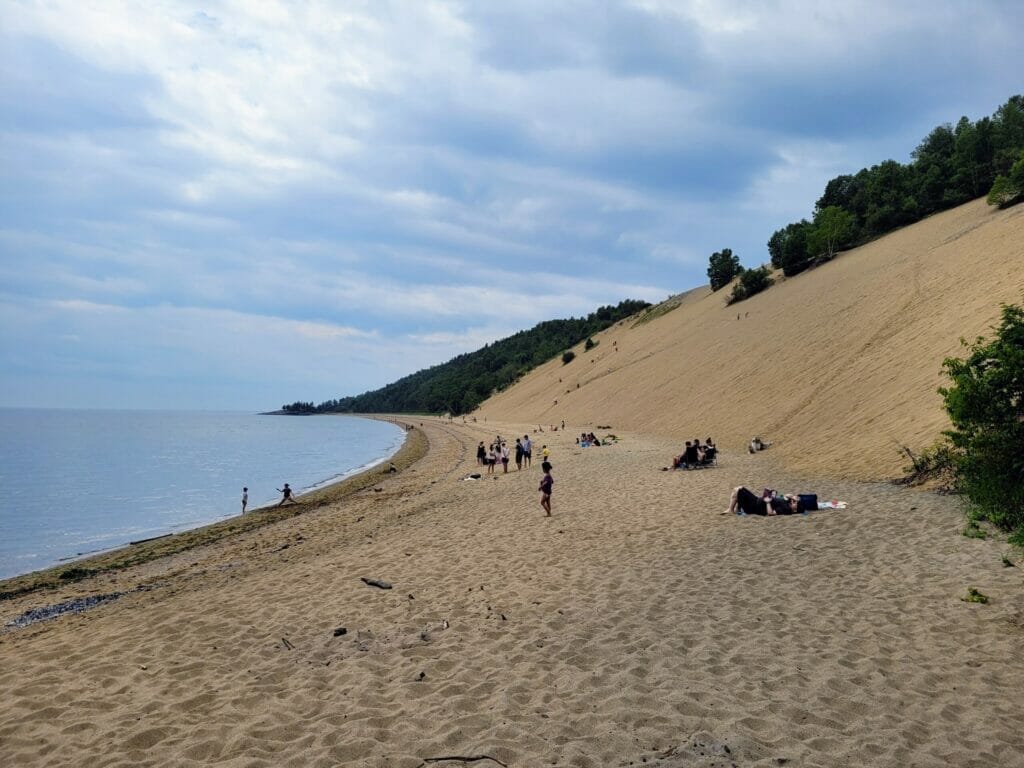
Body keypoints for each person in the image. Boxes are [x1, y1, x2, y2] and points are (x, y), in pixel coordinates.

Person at [722, 486, 806, 516]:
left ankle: (731, 510)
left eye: (795, 503)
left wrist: (768, 501)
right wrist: (794, 498)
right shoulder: (788, 503)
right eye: (794, 501)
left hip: (754, 507)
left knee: (738, 490)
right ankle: (734, 509)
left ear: (795, 509)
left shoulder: (786, 509)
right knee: (738, 490)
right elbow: (787, 495)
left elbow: (770, 513)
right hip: (756, 500)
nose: (793, 502)